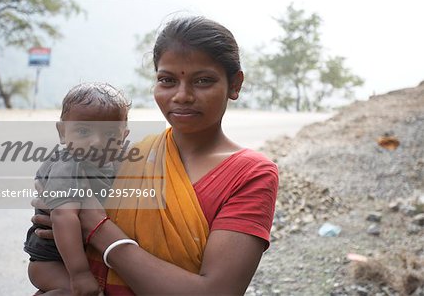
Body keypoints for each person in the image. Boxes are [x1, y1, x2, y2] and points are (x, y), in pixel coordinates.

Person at [31, 16, 278, 295]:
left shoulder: (250, 174)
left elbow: (217, 291)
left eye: (203, 80)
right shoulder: (128, 155)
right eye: (167, 80)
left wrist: (95, 226)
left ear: (235, 84)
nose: (182, 96)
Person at [24, 83, 130, 295]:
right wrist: (80, 274)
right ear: (62, 132)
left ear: (123, 136)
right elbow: (64, 217)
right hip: (53, 263)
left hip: (89, 255)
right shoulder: (68, 164)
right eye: (83, 131)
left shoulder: (116, 162)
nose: (97, 142)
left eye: (110, 134)